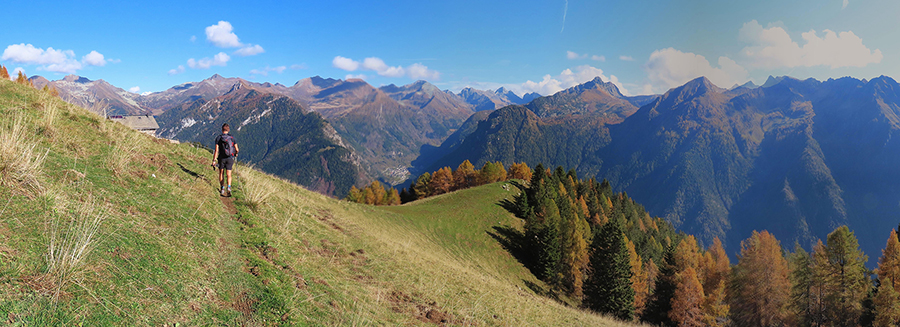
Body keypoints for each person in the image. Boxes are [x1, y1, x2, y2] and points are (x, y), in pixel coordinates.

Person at [212, 123, 239, 196]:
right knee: (229, 174)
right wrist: (236, 154)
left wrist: (214, 160)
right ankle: (229, 188)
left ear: (222, 129)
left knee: (221, 173)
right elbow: (237, 149)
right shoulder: (232, 138)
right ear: (228, 129)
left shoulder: (218, 138)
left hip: (221, 158)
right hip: (230, 158)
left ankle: (222, 188)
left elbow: (216, 150)